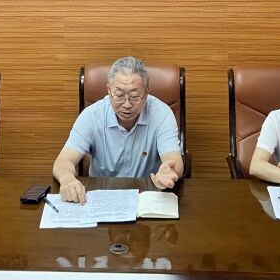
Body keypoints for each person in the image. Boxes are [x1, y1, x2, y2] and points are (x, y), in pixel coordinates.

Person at [53, 56, 183, 203]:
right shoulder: (92, 115)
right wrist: (67, 179)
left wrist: (169, 172)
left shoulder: (161, 113)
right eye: (119, 95)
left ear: (147, 92)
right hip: (101, 196)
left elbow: (174, 161)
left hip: (147, 197)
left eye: (134, 96)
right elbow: (64, 160)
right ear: (109, 90)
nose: (127, 104)